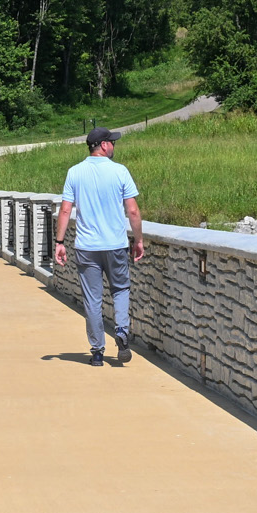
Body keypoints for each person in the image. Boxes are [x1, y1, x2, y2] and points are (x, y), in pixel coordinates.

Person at [52, 127, 144, 367]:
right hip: (115, 245)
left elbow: (65, 210)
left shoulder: (75, 172)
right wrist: (139, 240)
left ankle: (97, 352)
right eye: (112, 142)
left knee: (92, 299)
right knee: (121, 289)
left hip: (87, 247)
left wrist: (59, 243)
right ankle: (122, 332)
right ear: (103, 145)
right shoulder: (120, 171)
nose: (114, 146)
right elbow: (132, 210)